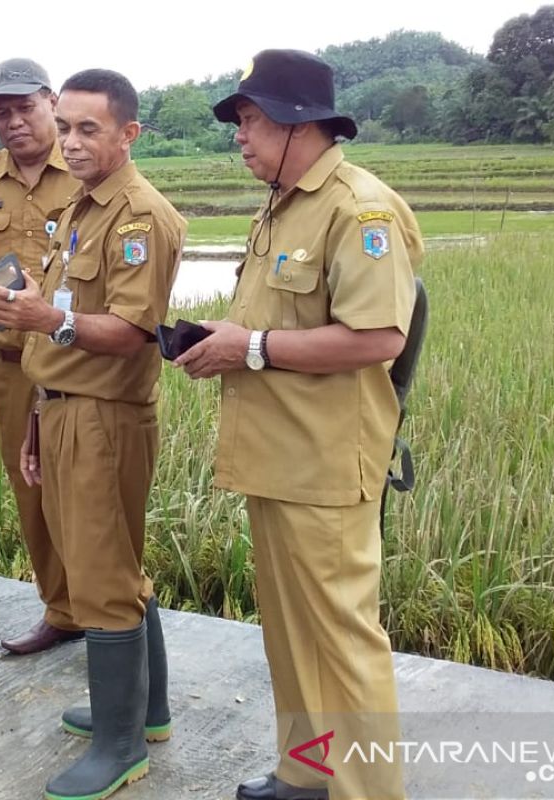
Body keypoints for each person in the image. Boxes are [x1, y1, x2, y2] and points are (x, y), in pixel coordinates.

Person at [175, 50, 421, 800]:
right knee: (290, 635)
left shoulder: (359, 208)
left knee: (341, 641)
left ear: (296, 121)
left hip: (323, 462)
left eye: (250, 120)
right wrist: (226, 334)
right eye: (241, 123)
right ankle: (309, 773)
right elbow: (279, 322)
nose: (240, 137)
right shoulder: (283, 202)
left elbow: (379, 336)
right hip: (274, 456)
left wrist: (247, 347)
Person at [0, 69, 186, 800]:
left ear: (128, 134)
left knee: (102, 577)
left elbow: (132, 331)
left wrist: (49, 321)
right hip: (64, 406)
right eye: (63, 125)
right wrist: (38, 410)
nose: (70, 141)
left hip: (106, 417)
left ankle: (119, 744)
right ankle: (144, 711)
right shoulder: (81, 210)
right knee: (112, 565)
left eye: (87, 128)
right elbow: (60, 319)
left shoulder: (140, 218)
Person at [0, 57, 82, 656]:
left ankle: (106, 608)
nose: (13, 122)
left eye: (24, 108)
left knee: (84, 493)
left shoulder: (85, 169)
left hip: (75, 364)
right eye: (2, 113)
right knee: (31, 495)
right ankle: (61, 611)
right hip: (11, 370)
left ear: (51, 102)